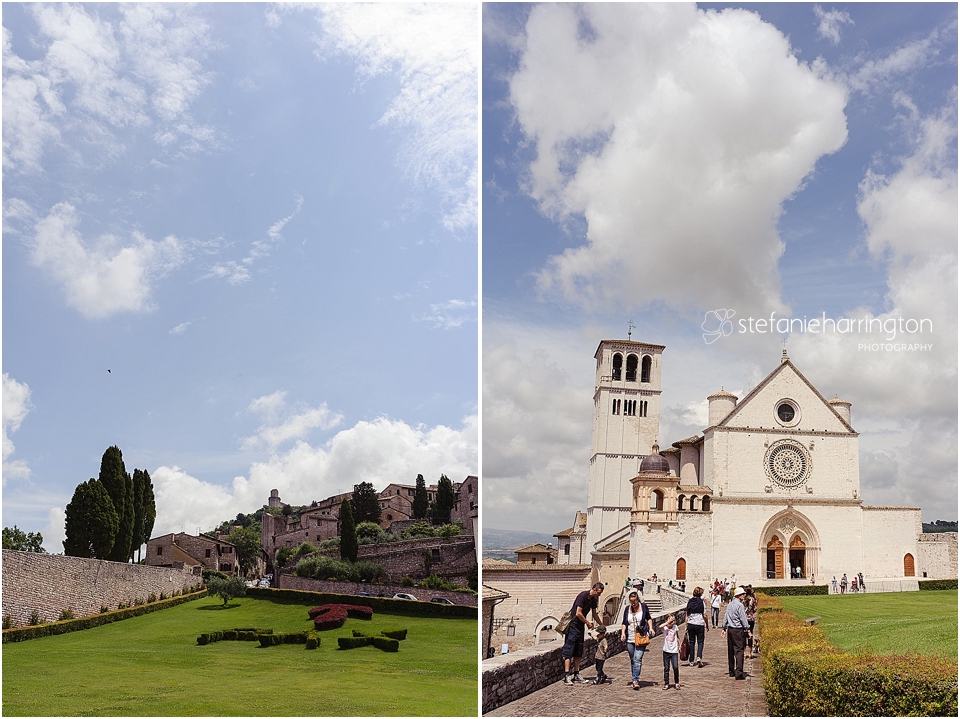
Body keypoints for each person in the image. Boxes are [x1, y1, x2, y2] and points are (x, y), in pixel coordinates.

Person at [562, 581, 604, 685]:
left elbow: (594, 614)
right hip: (573, 626)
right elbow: (578, 613)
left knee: (578, 651)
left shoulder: (593, 600)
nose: (599, 595)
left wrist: (601, 624)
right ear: (594, 590)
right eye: (598, 593)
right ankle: (567, 675)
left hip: (580, 628)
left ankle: (576, 673)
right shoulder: (583, 596)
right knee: (569, 650)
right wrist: (587, 622)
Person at [620, 590, 653, 690]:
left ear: (638, 599)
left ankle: (635, 680)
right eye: (631, 601)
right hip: (630, 638)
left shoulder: (643, 607)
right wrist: (622, 633)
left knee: (637, 659)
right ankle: (634, 677)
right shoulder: (627, 609)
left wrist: (651, 628)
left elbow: (649, 618)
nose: (633, 603)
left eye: (634, 601)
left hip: (641, 637)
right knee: (633, 660)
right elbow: (624, 622)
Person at [721, 586, 750, 680]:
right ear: (739, 595)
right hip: (738, 630)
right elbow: (743, 619)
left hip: (730, 630)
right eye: (743, 594)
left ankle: (731, 671)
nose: (744, 596)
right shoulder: (740, 605)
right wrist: (748, 629)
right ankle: (739, 673)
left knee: (731, 651)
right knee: (739, 651)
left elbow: (726, 615)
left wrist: (724, 627)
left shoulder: (730, 604)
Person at [684, 586, 708, 667]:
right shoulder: (702, 602)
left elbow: (687, 614)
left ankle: (691, 661)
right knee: (700, 642)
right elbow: (704, 615)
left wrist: (686, 625)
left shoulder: (690, 601)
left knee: (692, 642)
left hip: (691, 623)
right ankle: (699, 657)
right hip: (700, 623)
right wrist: (707, 624)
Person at [661, 613, 681, 690]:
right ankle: (666, 683)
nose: (673, 623)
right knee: (666, 668)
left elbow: (677, 636)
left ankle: (677, 682)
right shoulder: (665, 628)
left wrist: (679, 646)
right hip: (666, 650)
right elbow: (660, 627)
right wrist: (667, 623)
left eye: (674, 621)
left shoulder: (675, 627)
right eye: (671, 621)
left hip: (674, 650)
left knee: (675, 667)